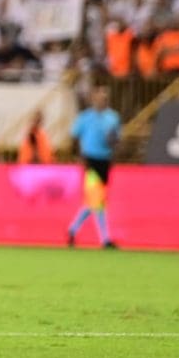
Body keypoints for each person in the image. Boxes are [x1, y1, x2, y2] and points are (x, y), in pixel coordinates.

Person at [66, 85, 121, 249]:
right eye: (99, 97)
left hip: (105, 161)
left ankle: (73, 229)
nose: (101, 100)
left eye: (104, 98)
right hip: (90, 161)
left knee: (94, 201)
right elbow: (74, 136)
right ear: (93, 99)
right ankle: (105, 239)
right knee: (97, 200)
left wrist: (113, 142)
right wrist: (77, 155)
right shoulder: (85, 117)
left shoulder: (113, 117)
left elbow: (116, 140)